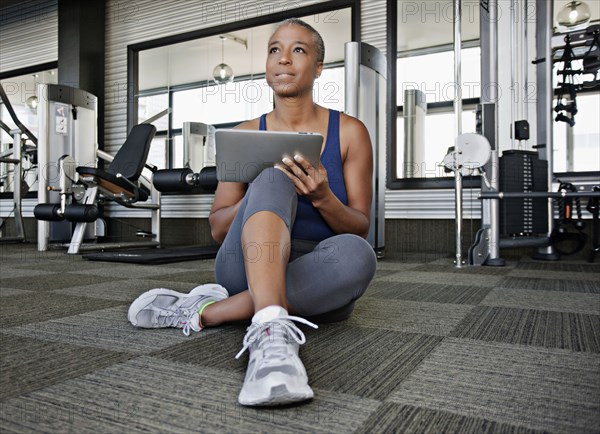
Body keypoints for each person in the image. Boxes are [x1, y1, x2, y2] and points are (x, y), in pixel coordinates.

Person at [127, 18, 377, 406]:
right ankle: (271, 331)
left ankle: (207, 311)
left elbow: (360, 227)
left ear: (319, 66)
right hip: (245, 263)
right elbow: (217, 228)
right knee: (274, 180)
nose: (283, 60)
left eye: (298, 50)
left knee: (360, 257)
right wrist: (261, 189)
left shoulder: (350, 132)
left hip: (319, 266)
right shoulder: (244, 133)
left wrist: (324, 196)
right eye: (274, 50)